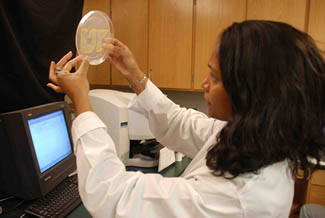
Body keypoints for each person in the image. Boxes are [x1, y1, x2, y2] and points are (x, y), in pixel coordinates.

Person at [47, 20, 325, 217]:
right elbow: (177, 123)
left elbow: (115, 197)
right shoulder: (259, 138)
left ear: (250, 94)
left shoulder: (241, 197)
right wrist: (133, 74)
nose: (204, 83)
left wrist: (82, 101)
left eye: (214, 77)